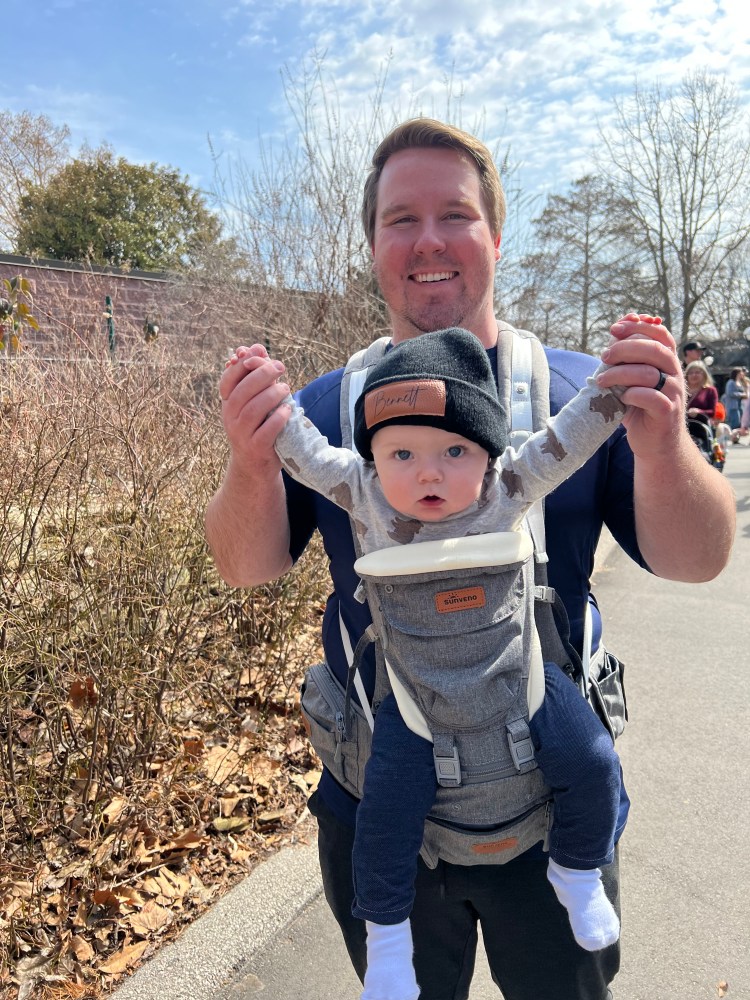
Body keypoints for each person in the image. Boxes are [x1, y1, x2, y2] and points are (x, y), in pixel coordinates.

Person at [206, 119, 736, 1000]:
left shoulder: (583, 393)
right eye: (399, 219)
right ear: (372, 244)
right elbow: (244, 566)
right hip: (384, 805)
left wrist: (665, 442)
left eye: (454, 214)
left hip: (553, 808)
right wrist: (252, 460)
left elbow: (698, 560)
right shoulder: (322, 411)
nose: (428, 240)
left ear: (495, 233)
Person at [246, 324, 638, 998]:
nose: (429, 472)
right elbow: (303, 451)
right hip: (413, 704)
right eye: (402, 453)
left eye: (455, 450)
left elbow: (572, 437)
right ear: (373, 457)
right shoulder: (364, 493)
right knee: (385, 818)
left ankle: (577, 873)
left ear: (486, 451)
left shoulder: (505, 487)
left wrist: (619, 378)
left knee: (594, 763)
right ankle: (389, 942)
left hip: (522, 683)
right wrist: (264, 399)